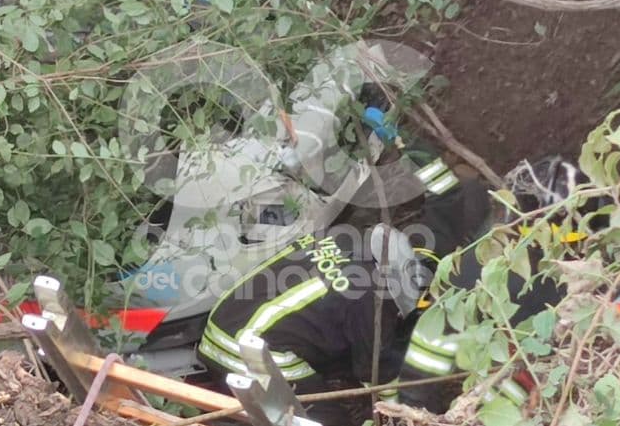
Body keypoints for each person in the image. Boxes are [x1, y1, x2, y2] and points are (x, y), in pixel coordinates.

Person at [196, 130, 491, 426]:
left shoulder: (349, 237)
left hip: (220, 324)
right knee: (327, 419)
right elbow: (377, 374)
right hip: (249, 357)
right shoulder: (373, 301)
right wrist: (406, 411)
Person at [399, 156, 597, 413]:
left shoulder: (471, 269)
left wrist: (412, 406)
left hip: (503, 386)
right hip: (514, 387)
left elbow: (422, 367)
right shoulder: (581, 283)